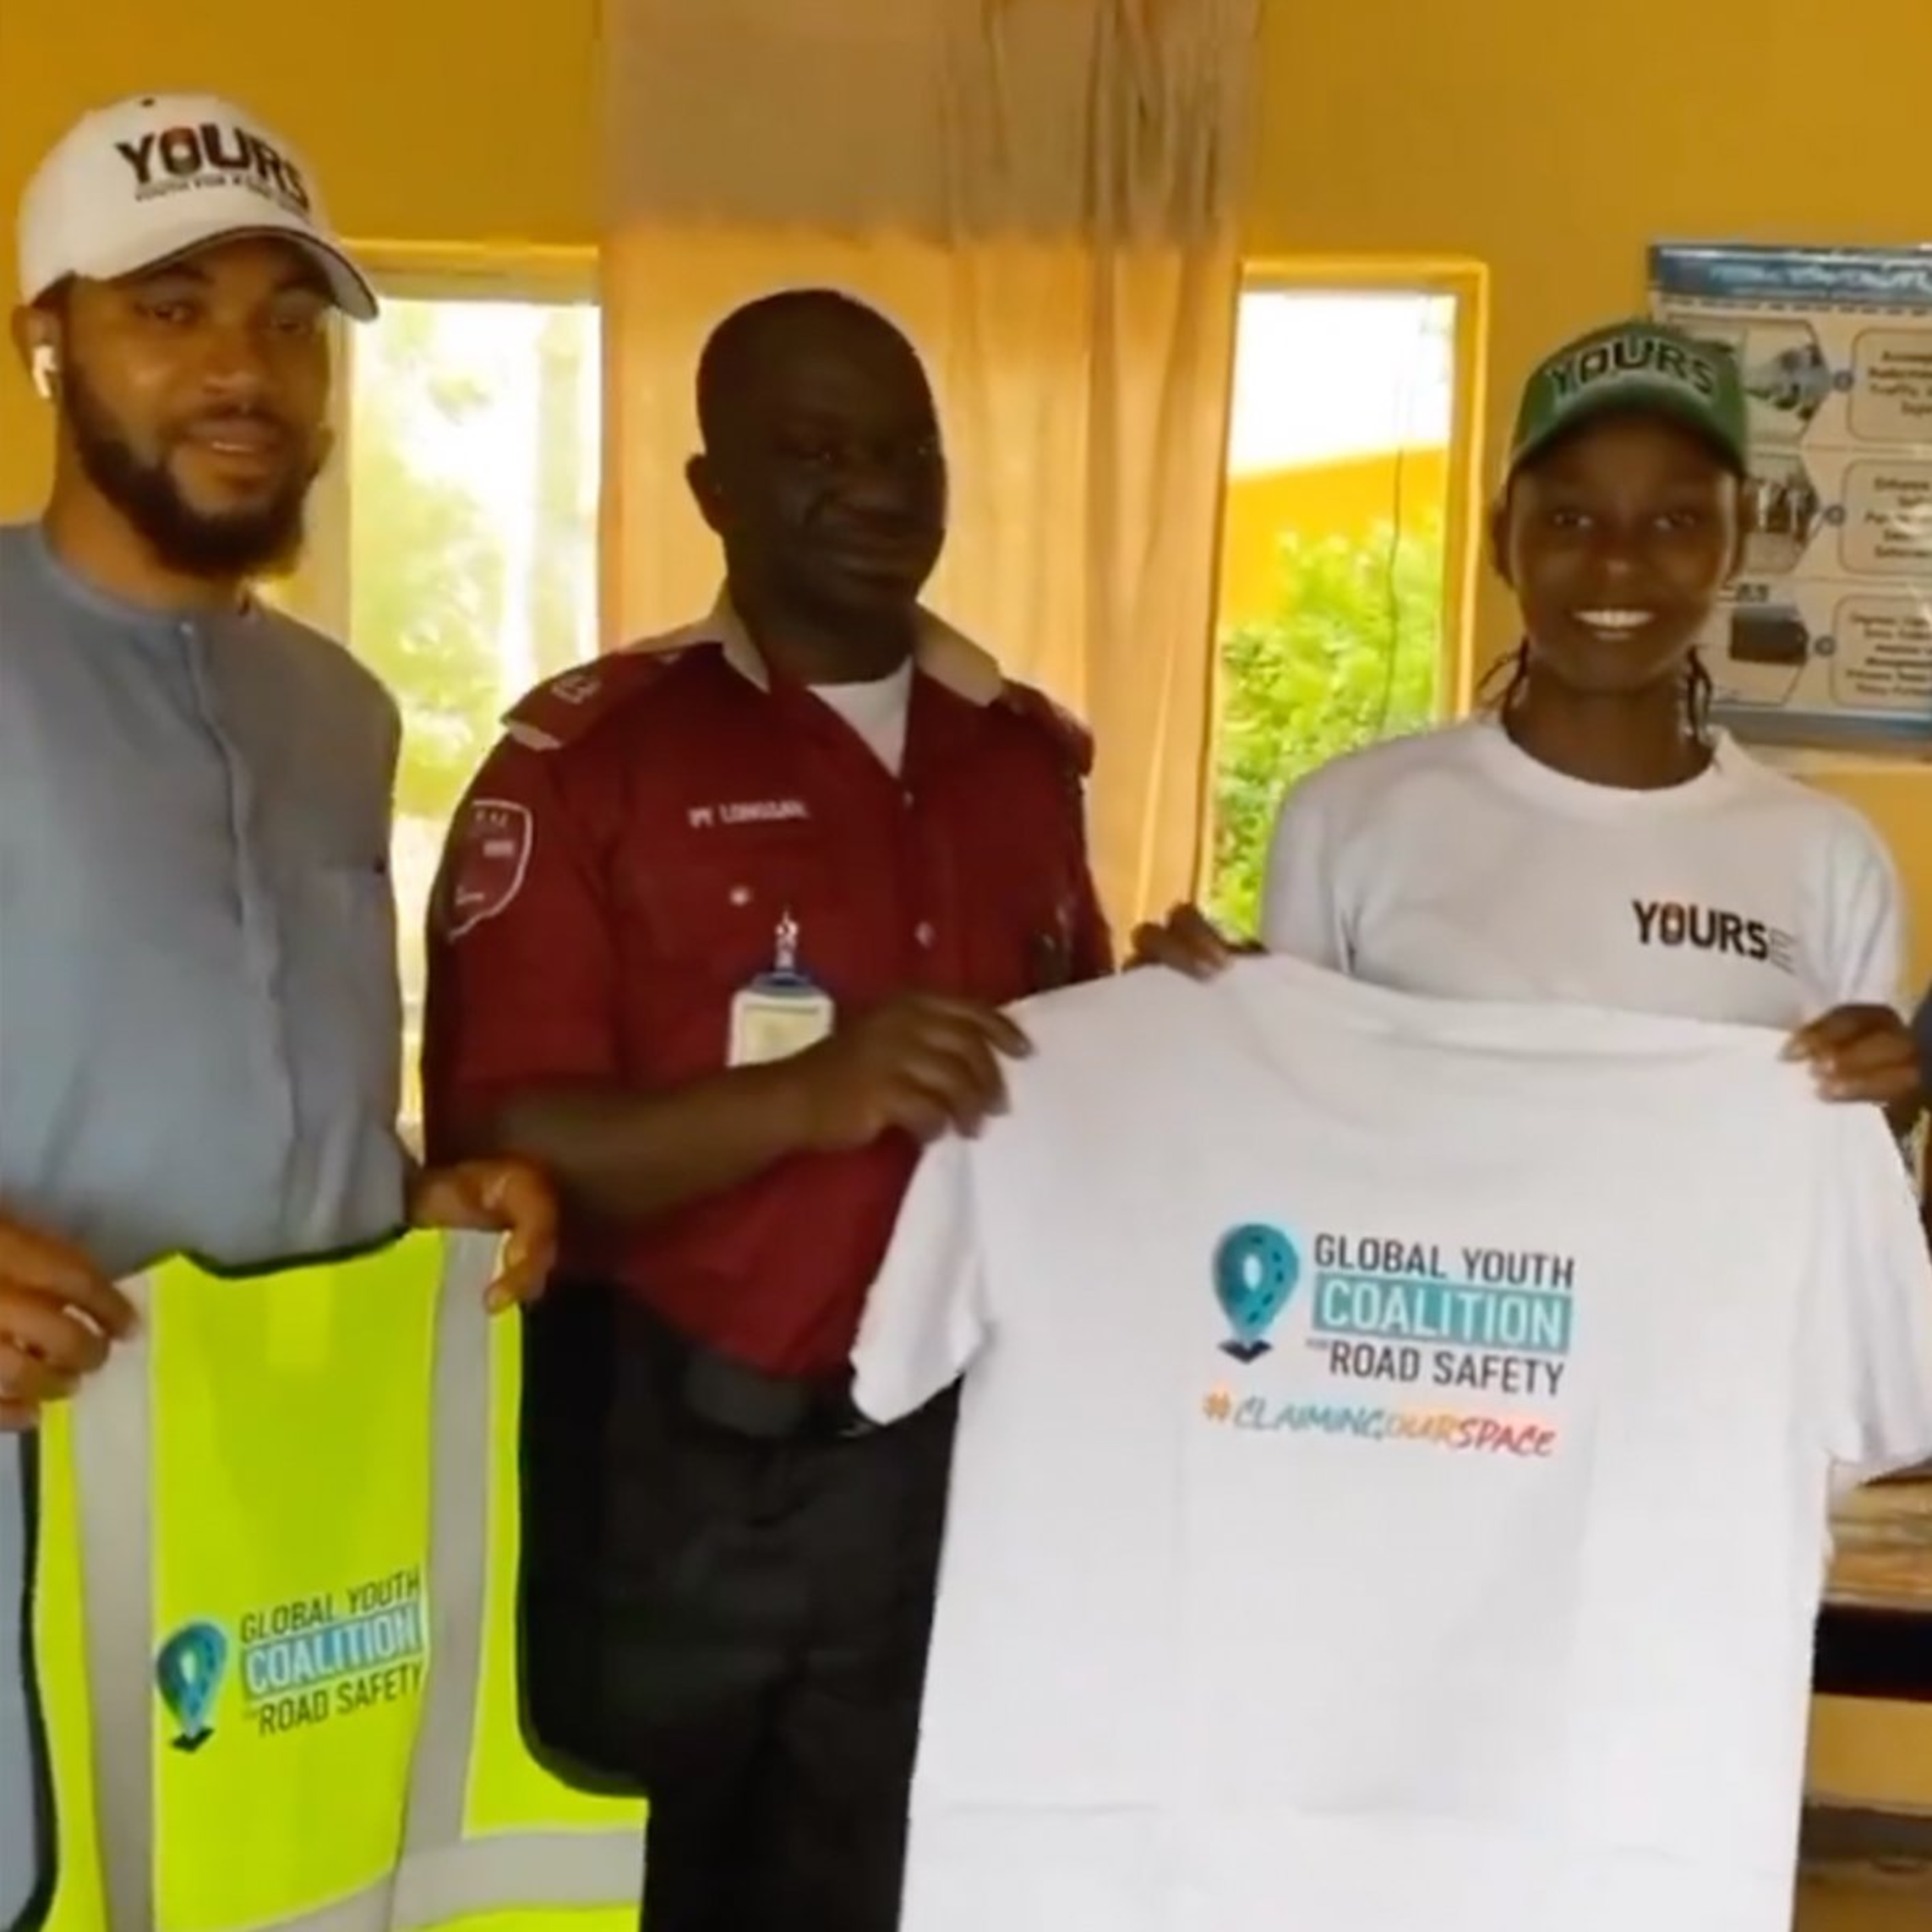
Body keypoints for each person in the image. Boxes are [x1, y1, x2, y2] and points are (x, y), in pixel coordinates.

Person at [421, 287, 1111, 1932]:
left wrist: (1181, 1011)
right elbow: (502, 1147)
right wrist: (808, 1096)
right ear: (711, 487)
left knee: (897, 1890)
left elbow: (1063, 1079)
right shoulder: (588, 762)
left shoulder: (1019, 760)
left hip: (942, 1481)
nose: (876, 487)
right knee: (641, 1898)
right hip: (670, 1470)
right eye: (815, 449)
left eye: (906, 449)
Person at [0, 95, 562, 1907]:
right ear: (46, 340)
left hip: (281, 1553)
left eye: (290, 320)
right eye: (170, 311)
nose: (244, 369)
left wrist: (414, 1198)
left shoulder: (340, 715)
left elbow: (255, 1074)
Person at [1133, 318, 1925, 1126]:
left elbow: (1845, 1161)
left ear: (1740, 542)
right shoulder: (1348, 818)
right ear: (1500, 539)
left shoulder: (1829, 857)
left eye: (1676, 521)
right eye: (1570, 519)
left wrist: (1884, 1102)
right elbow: (1296, 1119)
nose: (1617, 560)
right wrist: (1211, 1021)